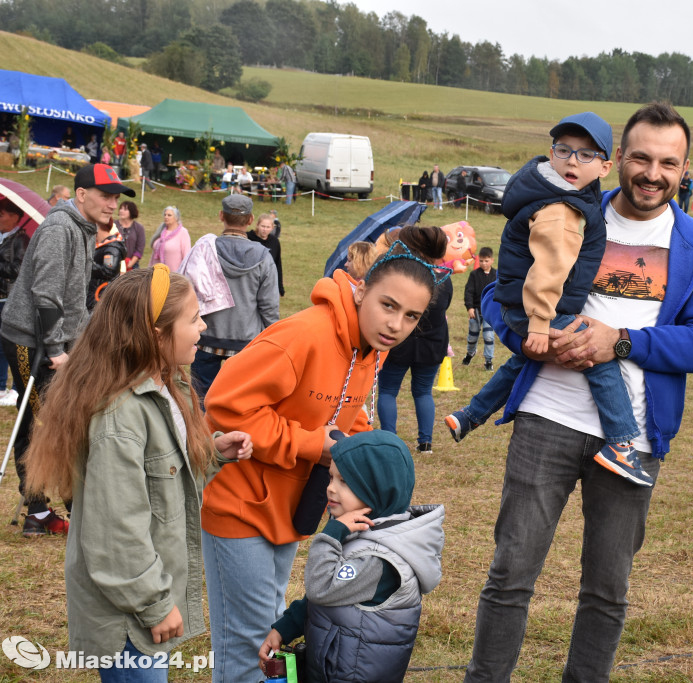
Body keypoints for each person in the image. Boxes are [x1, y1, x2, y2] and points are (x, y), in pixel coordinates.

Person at [464, 103, 693, 681]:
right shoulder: (562, 207)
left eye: (668, 162)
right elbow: (498, 294)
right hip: (546, 419)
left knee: (607, 591)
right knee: (510, 577)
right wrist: (530, 339)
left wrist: (621, 342)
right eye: (642, 157)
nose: (652, 173)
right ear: (617, 161)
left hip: (630, 437)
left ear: (684, 170)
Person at [199, 225, 448, 683]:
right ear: (361, 290)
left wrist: (366, 462)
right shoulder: (305, 335)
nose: (396, 325)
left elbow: (350, 418)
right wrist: (316, 445)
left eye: (411, 316)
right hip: (241, 506)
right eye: (388, 306)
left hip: (291, 513)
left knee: (273, 630)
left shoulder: (372, 348)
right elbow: (225, 407)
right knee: (248, 650)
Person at [23, 266, 252, 680]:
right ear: (156, 333)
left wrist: (211, 454)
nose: (204, 326)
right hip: (129, 617)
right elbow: (114, 529)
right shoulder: (120, 416)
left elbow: (162, 483)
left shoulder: (166, 387)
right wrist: (154, 605)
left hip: (141, 601)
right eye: (193, 318)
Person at [445, 112, 656, 486]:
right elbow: (549, 270)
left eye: (586, 154)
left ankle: (469, 415)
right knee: (593, 353)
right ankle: (622, 444)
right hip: (537, 308)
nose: (573, 160)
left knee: (524, 361)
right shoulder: (562, 208)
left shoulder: (559, 193)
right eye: (564, 150)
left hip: (519, 305)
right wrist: (541, 324)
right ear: (551, 153)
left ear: (606, 165)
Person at [0, 163, 135, 535]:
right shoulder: (60, 228)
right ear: (81, 194)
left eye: (115, 198)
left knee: (54, 418)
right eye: (106, 196)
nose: (112, 204)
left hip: (58, 339)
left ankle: (58, 508)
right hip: (31, 340)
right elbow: (45, 294)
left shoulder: (84, 227)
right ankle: (41, 510)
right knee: (45, 420)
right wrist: (57, 348)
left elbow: (74, 292)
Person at [258, 430, 445, 682]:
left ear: (377, 489)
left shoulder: (379, 560)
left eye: (344, 481)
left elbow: (322, 588)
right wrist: (287, 627)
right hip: (335, 667)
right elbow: (330, 599)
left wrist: (331, 534)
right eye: (331, 477)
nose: (331, 489)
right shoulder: (366, 532)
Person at [187, 194, 280, 403]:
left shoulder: (205, 251)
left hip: (206, 338)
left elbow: (190, 292)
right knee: (240, 404)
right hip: (246, 344)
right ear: (250, 220)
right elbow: (269, 307)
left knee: (201, 403)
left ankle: (202, 436)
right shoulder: (264, 257)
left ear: (221, 216)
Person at [378, 270, 452, 454]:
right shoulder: (444, 279)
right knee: (423, 392)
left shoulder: (406, 274)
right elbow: (445, 305)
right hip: (432, 344)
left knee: (388, 391)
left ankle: (390, 440)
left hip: (400, 341)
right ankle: (425, 443)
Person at [0, 198, 30, 407]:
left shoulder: (21, 240)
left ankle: (16, 389)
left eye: (1, 215)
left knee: (14, 346)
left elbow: (18, 269)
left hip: (10, 298)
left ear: (15, 217)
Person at [462, 246, 496, 369]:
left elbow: (499, 294)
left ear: (492, 260)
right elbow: (469, 291)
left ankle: (488, 361)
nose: (484, 263)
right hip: (475, 311)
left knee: (488, 336)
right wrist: (470, 307)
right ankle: (470, 353)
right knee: (473, 335)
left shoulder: (496, 275)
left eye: (486, 261)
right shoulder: (474, 275)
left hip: (489, 312)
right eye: (481, 261)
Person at [86, 218, 127, 310]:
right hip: (94, 293)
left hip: (100, 295)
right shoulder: (101, 245)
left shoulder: (112, 248)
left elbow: (109, 270)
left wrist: (87, 265)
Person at [247, 211, 285, 297]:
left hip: (267, 282)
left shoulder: (274, 241)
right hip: (250, 281)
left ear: (272, 228)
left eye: (268, 227)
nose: (265, 229)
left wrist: (280, 288)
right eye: (263, 226)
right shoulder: (248, 238)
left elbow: (277, 264)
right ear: (257, 225)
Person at [148, 206, 191, 271]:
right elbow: (154, 255)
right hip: (156, 273)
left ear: (176, 218)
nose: (166, 217)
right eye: (165, 215)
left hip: (173, 275)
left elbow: (187, 256)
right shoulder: (161, 231)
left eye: (169, 215)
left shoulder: (183, 232)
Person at [117, 200, 146, 269]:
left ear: (131, 211)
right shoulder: (113, 225)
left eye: (125, 209)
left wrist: (130, 264)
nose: (121, 211)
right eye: (121, 208)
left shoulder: (139, 228)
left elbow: (140, 248)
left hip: (132, 265)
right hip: (115, 263)